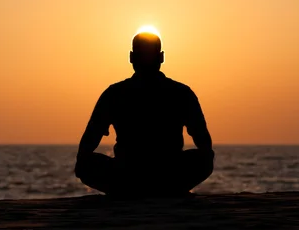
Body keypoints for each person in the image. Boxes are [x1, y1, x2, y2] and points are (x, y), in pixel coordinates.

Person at [75, 30, 214, 197]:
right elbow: (203, 140)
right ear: (161, 57)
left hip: (127, 176)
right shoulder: (181, 92)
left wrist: (83, 163)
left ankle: (131, 189)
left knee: (86, 164)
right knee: (203, 159)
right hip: (168, 175)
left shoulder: (115, 93)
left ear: (131, 57)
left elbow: (89, 140)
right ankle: (165, 189)